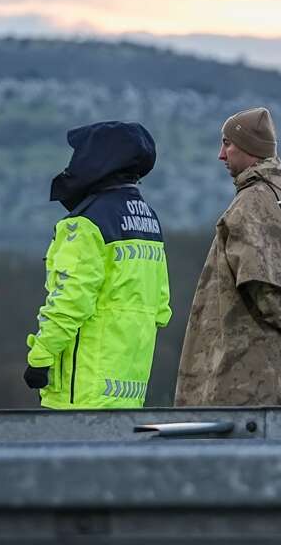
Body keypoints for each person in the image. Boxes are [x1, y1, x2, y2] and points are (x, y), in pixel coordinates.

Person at [175, 107, 281, 406]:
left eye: (228, 143)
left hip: (244, 374)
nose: (222, 154)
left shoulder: (254, 201)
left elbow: (262, 280)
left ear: (249, 148)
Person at [24, 121, 171, 409]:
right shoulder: (148, 220)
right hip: (130, 385)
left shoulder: (86, 223)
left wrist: (40, 357)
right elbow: (162, 307)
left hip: (82, 388)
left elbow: (69, 301)